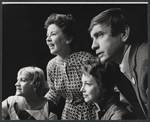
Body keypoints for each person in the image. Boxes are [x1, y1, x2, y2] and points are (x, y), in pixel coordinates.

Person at [88, 8, 148, 119]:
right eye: (92, 38)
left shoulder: (145, 62)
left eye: (99, 35)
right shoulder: (134, 61)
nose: (93, 46)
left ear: (124, 33)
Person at [44, 13, 96, 120]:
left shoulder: (85, 59)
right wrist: (34, 104)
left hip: (92, 114)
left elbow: (107, 85)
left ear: (68, 39)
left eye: (53, 34)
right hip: (68, 115)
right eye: (47, 35)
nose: (48, 39)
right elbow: (53, 93)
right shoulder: (51, 65)